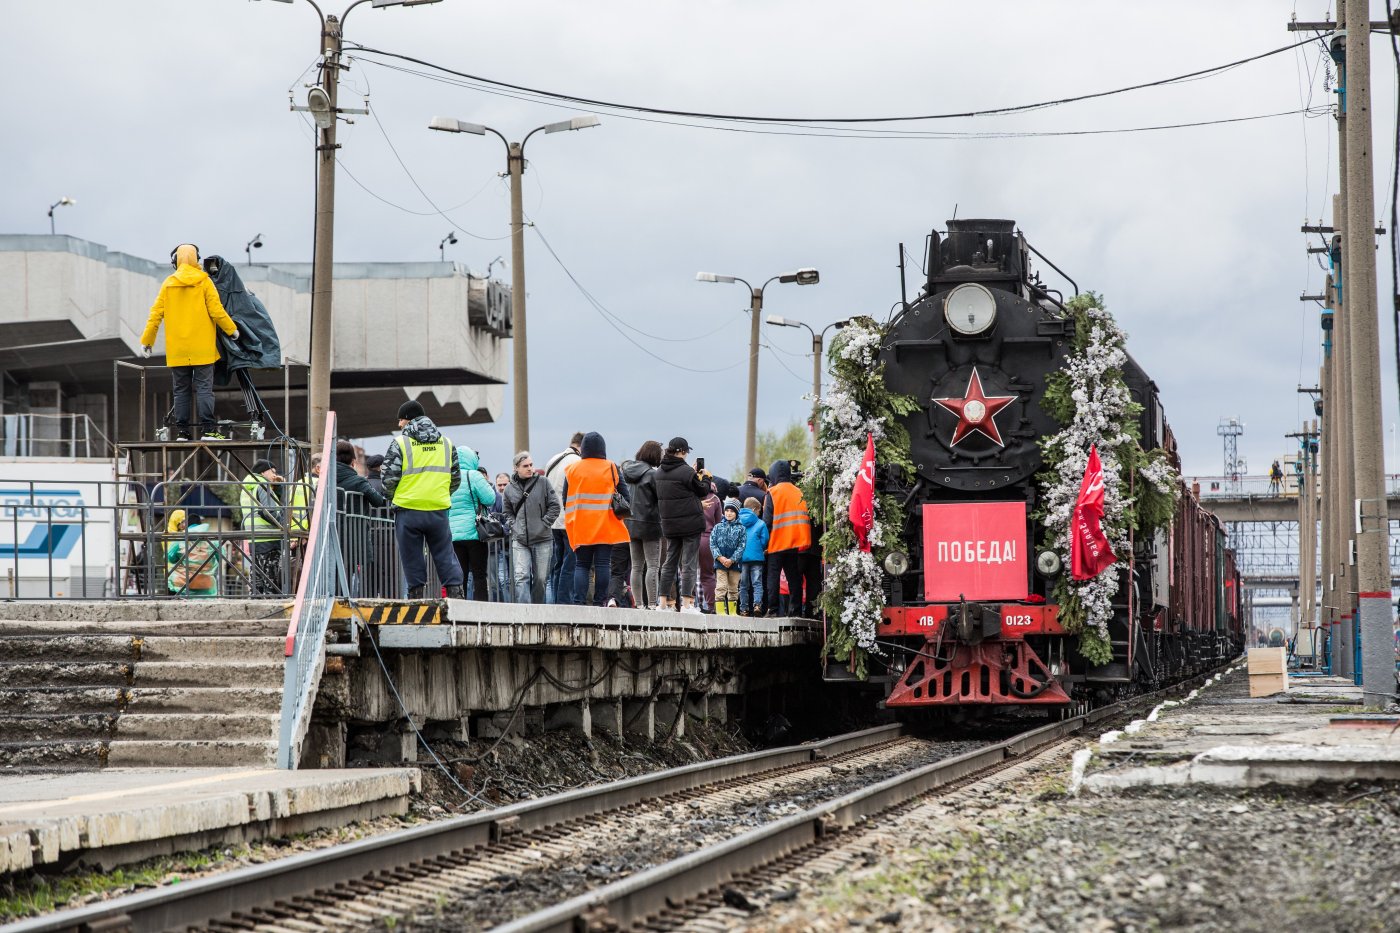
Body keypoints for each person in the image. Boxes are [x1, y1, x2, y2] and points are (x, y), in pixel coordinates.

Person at [140, 244, 240, 441]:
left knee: (181, 390)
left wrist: (147, 340)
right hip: (202, 349)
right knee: (204, 389)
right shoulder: (204, 282)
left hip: (177, 349)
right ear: (197, 259)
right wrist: (232, 330)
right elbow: (217, 311)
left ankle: (183, 432)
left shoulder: (168, 284)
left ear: (175, 261)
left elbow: (155, 315)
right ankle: (208, 431)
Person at [382, 399, 464, 600]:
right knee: (445, 555)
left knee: (412, 557)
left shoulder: (400, 443)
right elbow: (455, 478)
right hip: (438, 510)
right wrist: (439, 494)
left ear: (408, 420)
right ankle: (456, 595)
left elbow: (388, 480)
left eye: (400, 420)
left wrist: (395, 496)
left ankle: (416, 597)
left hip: (408, 510)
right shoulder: (447, 443)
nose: (399, 425)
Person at [563, 432, 630, 607]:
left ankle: (578, 602)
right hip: (605, 524)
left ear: (583, 448)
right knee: (603, 564)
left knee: (582, 565)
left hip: (580, 525)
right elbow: (626, 497)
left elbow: (565, 499)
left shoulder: (572, 469)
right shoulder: (611, 467)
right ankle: (600, 601)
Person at [654, 437, 709, 613]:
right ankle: (686, 604)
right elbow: (702, 490)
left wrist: (690, 473)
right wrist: (706, 477)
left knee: (669, 562)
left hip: (669, 524)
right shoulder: (686, 471)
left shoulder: (660, 471)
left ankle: (662, 604)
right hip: (690, 524)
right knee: (689, 563)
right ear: (683, 452)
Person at [503, 450, 561, 603]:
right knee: (521, 576)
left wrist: (545, 523)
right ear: (516, 468)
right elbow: (507, 512)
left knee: (541, 579)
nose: (530, 468)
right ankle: (525, 613)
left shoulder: (543, 482)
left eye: (531, 465)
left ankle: (537, 610)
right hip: (520, 539)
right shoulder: (509, 489)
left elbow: (555, 506)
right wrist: (514, 526)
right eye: (525, 466)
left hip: (542, 539)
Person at [447, 445, 499, 601]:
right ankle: (481, 609)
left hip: (454, 535)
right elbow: (490, 499)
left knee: (459, 575)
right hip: (474, 533)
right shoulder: (474, 476)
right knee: (479, 574)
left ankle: (459, 607)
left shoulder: (449, 477)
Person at [762, 459, 812, 617]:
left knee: (773, 577)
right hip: (794, 543)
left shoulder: (773, 492)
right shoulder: (799, 492)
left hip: (776, 543)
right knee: (794, 578)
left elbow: (767, 521)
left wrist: (765, 543)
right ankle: (795, 611)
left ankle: (774, 610)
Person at [621, 440, 663, 609]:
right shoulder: (652, 474)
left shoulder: (626, 471)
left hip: (630, 523)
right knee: (652, 565)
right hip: (650, 524)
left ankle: (638, 605)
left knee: (636, 566)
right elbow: (660, 498)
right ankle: (652, 604)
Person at [544, 432, 583, 604]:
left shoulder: (552, 460)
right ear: (581, 446)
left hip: (553, 521)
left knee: (558, 563)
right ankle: (564, 602)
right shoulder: (577, 462)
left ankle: (554, 601)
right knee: (570, 564)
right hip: (570, 520)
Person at [240, 458, 286, 594]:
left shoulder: (248, 486)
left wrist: (277, 488)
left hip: (255, 537)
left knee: (258, 579)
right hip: (269, 538)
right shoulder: (262, 485)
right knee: (271, 580)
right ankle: (272, 607)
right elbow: (269, 512)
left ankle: (255, 605)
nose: (274, 476)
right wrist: (284, 525)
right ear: (263, 472)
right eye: (272, 472)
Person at [165, 509, 221, 597]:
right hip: (206, 585)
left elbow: (170, 558)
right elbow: (221, 557)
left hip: (182, 584)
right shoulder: (212, 540)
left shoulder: (180, 539)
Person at [709, 498, 746, 615]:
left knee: (734, 587)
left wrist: (732, 559)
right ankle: (720, 611)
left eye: (732, 511)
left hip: (735, 563)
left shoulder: (741, 528)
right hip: (720, 562)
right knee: (721, 586)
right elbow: (712, 543)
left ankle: (733, 612)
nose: (729, 513)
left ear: (737, 513)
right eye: (727, 510)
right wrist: (720, 557)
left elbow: (742, 546)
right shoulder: (717, 527)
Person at [738, 496, 769, 616]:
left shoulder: (738, 522)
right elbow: (764, 539)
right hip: (756, 557)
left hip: (742, 558)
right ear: (755, 509)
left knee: (743, 585)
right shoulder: (760, 523)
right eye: (759, 511)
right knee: (757, 583)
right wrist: (759, 549)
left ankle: (744, 609)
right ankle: (757, 605)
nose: (760, 513)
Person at [698, 478, 723, 612]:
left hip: (690, 537)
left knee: (687, 572)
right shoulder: (715, 498)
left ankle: (688, 604)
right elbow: (719, 523)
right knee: (707, 575)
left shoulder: (691, 495)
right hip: (708, 539)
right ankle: (712, 606)